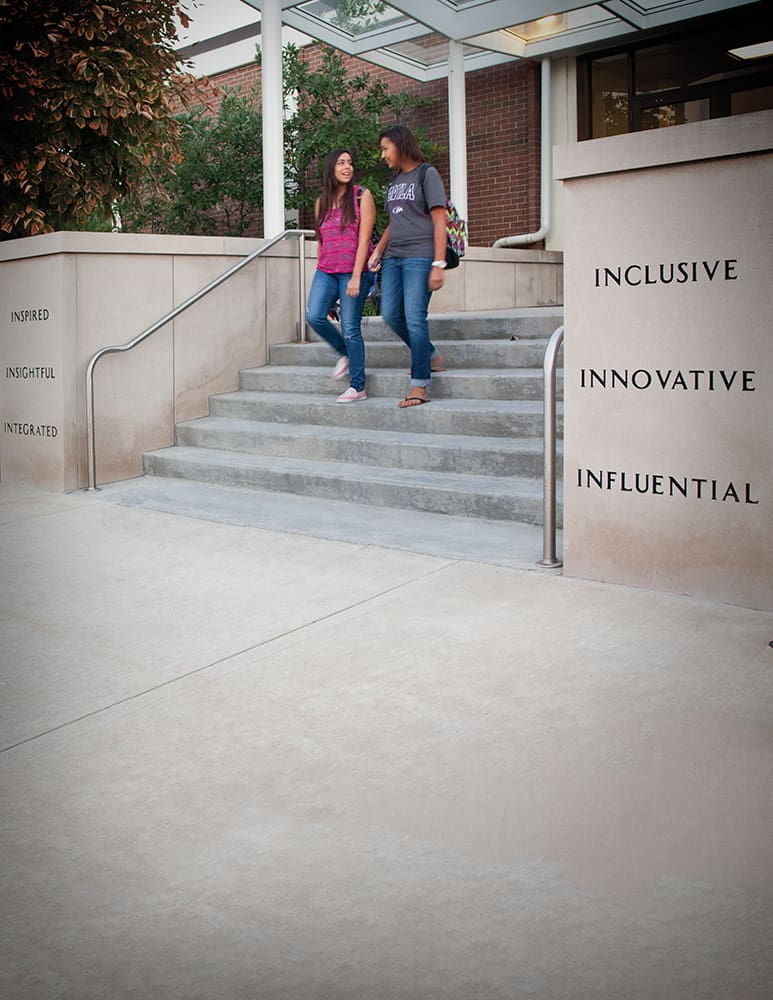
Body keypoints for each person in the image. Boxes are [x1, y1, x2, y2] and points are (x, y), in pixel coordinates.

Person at [368, 124, 447, 408]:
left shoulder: (427, 174)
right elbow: (394, 221)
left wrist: (438, 264)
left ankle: (420, 385)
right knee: (390, 314)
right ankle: (431, 354)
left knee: (414, 317)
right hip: (394, 257)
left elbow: (440, 220)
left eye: (385, 148)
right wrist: (378, 250)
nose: (383, 155)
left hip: (420, 256)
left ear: (400, 146)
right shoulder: (394, 179)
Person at [306, 148, 375, 403]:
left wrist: (357, 275)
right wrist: (319, 265)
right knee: (313, 315)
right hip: (326, 270)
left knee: (350, 328)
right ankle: (345, 354)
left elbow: (364, 238)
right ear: (331, 168)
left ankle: (358, 386)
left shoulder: (361, 196)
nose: (347, 167)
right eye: (341, 163)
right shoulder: (321, 203)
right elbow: (321, 239)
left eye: (350, 162)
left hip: (352, 271)